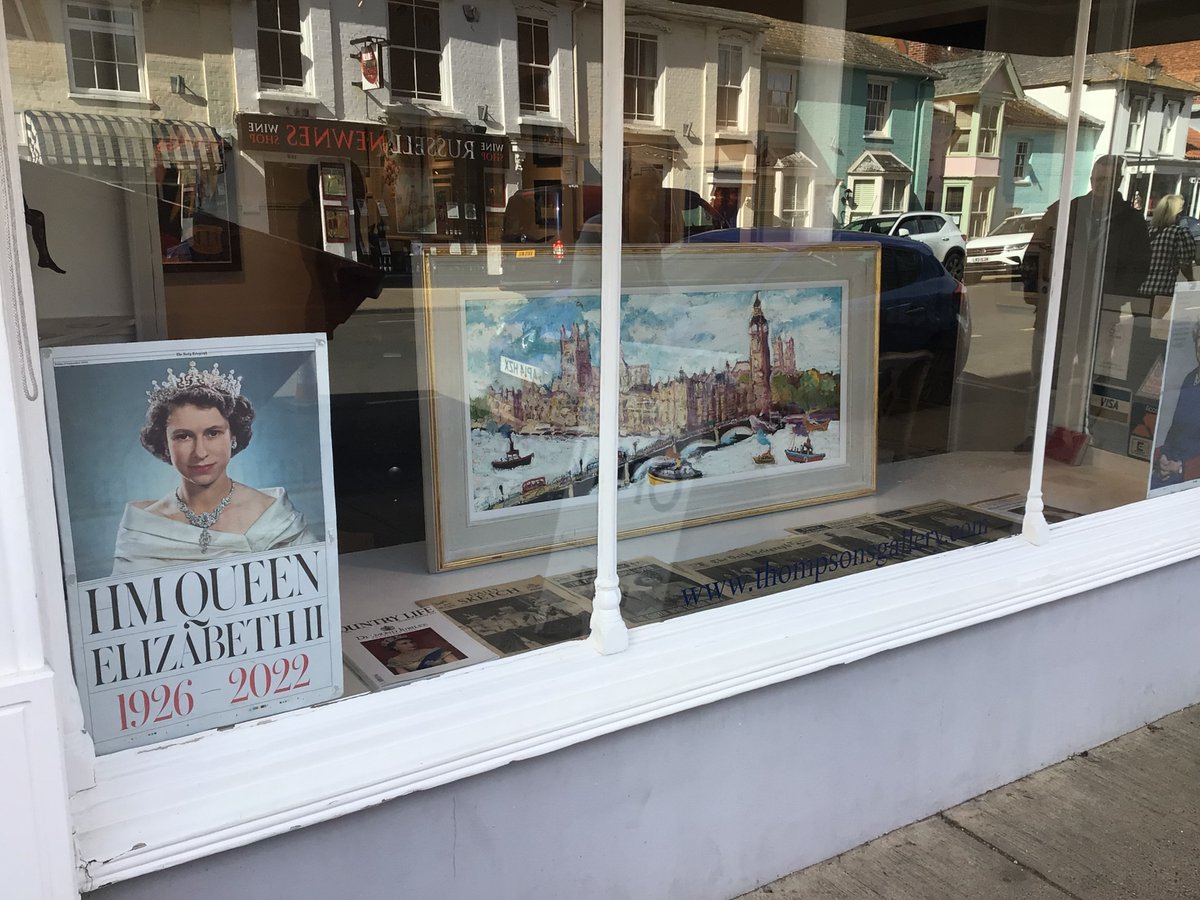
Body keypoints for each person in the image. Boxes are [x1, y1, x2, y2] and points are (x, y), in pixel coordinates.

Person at [112, 360, 316, 574]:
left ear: (233, 436)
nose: (200, 452)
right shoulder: (143, 527)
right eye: (183, 436)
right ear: (165, 443)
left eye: (213, 433)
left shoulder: (273, 515)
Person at [1016, 154, 1152, 452]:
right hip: (1056, 312)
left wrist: (1112, 299)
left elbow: (1139, 267)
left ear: (1118, 181)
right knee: (1044, 379)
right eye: (1096, 178)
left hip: (1098, 315)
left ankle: (1081, 437)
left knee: (1092, 379)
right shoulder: (1066, 211)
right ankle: (1036, 435)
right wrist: (1036, 294)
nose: (1099, 184)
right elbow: (1034, 255)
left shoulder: (1131, 221)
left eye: (1106, 179)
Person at [1153, 320, 1200, 489]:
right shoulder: (1190, 378)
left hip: (1191, 477)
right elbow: (1176, 429)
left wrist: (1181, 468)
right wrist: (1163, 457)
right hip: (1173, 465)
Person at [1139, 194, 1195, 302]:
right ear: (1178, 213)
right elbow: (1185, 262)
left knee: (1140, 318)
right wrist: (1191, 279)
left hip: (1141, 286)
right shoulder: (1179, 232)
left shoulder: (1148, 231)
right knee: (1159, 318)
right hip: (1163, 288)